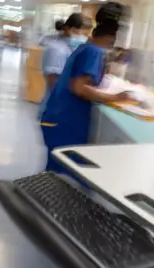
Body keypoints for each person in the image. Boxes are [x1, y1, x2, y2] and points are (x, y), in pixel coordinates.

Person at [40, 2, 132, 186]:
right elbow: (80, 88)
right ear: (114, 36)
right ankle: (55, 211)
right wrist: (116, 98)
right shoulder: (93, 52)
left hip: (57, 118)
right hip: (65, 123)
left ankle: (48, 207)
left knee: (56, 175)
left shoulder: (87, 48)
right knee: (66, 180)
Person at [39, 13, 92, 118]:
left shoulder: (69, 47)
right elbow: (54, 84)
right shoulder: (57, 50)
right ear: (71, 30)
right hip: (56, 108)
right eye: (83, 34)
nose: (85, 38)